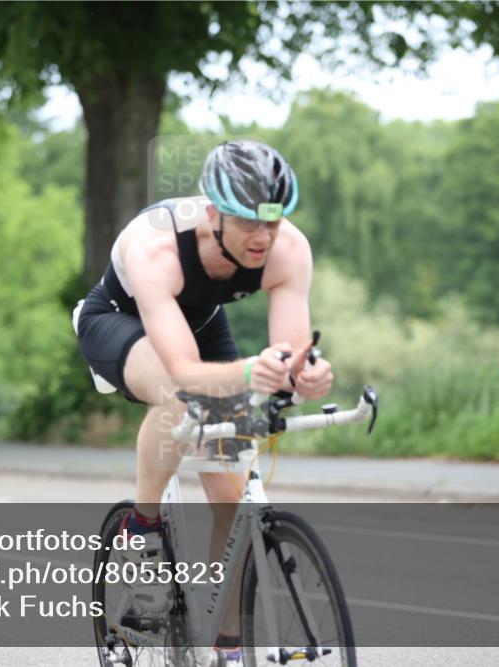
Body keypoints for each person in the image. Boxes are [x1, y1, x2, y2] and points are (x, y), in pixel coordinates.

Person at [74, 140, 333, 662]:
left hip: (202, 323)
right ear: (213, 212)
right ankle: (143, 533)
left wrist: (303, 375)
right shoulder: (156, 248)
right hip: (119, 321)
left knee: (234, 505)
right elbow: (185, 372)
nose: (263, 238)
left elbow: (288, 352)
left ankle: (227, 645)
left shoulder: (288, 250)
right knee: (178, 395)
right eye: (248, 223)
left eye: (274, 222)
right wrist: (246, 374)